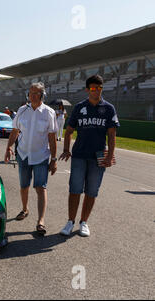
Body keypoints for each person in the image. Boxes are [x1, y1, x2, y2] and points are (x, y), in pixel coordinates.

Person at [59, 75, 120, 237]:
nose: (96, 91)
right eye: (93, 88)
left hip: (98, 156)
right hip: (79, 154)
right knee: (75, 189)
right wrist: (66, 149)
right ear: (87, 90)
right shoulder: (80, 107)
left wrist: (110, 156)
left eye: (99, 88)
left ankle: (83, 222)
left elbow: (112, 135)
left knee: (92, 191)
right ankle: (70, 222)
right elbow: (69, 130)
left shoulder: (108, 108)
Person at [4, 82, 58, 236]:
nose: (32, 96)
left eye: (35, 93)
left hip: (41, 156)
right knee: (24, 186)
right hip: (23, 155)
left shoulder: (49, 113)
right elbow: (15, 131)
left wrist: (53, 159)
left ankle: (41, 221)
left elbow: (52, 138)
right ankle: (25, 209)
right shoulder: (22, 110)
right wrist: (8, 147)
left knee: (41, 187)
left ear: (42, 95)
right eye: (30, 93)